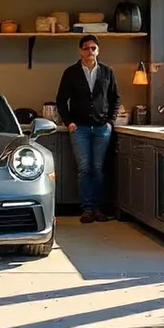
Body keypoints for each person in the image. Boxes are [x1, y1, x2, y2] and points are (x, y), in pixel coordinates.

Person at [56, 35, 120, 224]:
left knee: (98, 168)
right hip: (80, 128)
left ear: (98, 50)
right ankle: (87, 209)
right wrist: (69, 122)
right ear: (80, 51)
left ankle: (98, 208)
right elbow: (61, 99)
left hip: (102, 128)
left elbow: (115, 98)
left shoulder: (107, 72)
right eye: (86, 48)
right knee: (84, 169)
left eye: (93, 48)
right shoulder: (71, 72)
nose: (90, 52)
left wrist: (110, 121)